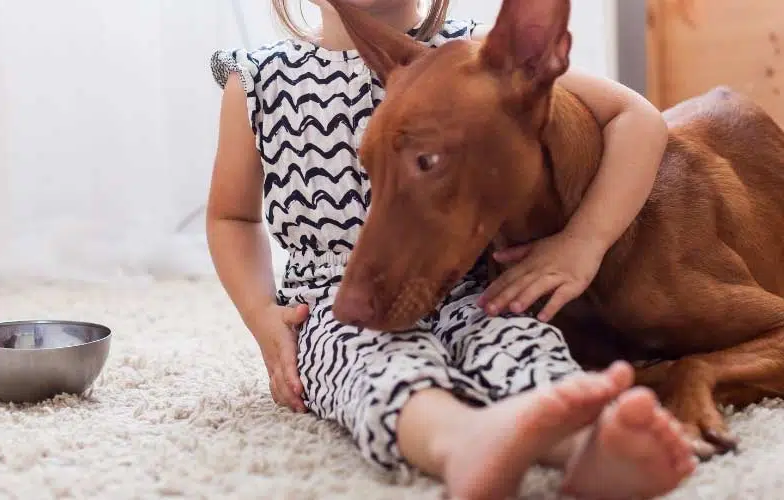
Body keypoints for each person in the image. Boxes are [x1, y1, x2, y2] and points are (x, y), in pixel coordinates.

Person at [206, 1, 696, 498]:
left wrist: (582, 242)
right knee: (370, 364)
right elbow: (231, 217)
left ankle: (588, 444)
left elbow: (635, 117)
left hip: (472, 286)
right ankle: (459, 441)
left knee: (521, 343)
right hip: (336, 304)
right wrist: (260, 312)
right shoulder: (260, 80)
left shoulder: (476, 56)